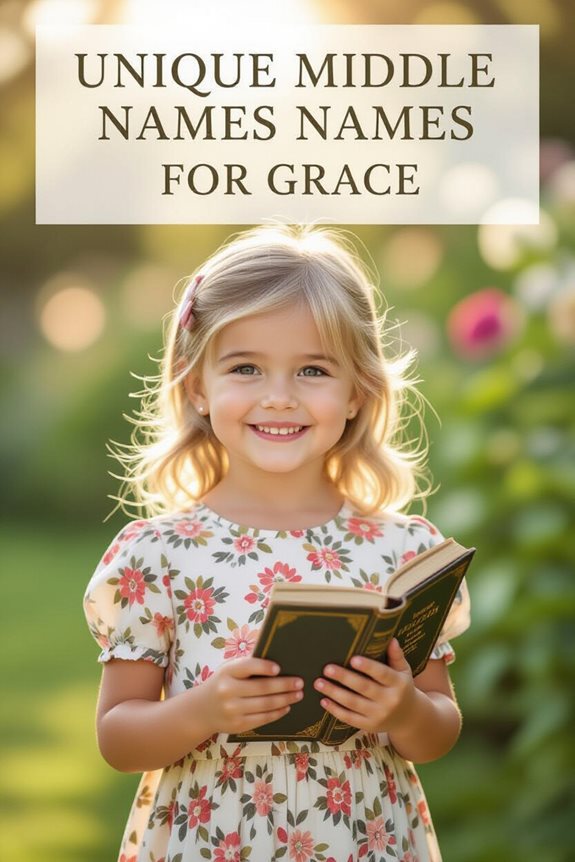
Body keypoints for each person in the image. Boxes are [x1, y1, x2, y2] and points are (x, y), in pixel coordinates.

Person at [83, 224, 471, 862]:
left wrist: (403, 710)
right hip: (212, 840)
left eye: (313, 369)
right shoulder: (156, 555)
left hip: (361, 840)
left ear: (357, 392)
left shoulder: (402, 550)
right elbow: (118, 739)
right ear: (197, 386)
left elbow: (437, 730)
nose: (279, 396)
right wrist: (203, 709)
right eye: (246, 368)